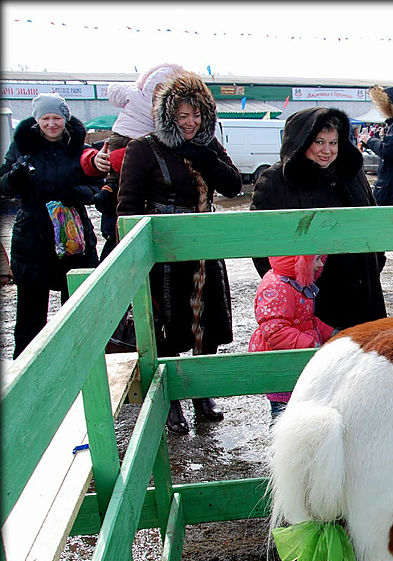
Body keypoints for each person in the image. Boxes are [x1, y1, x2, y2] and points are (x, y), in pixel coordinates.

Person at [117, 70, 243, 434]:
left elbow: (234, 186)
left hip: (204, 248)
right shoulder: (144, 148)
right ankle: (171, 402)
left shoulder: (209, 146)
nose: (190, 123)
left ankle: (202, 394)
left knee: (209, 326)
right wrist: (135, 253)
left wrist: (206, 158)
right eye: (182, 116)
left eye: (197, 115)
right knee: (169, 330)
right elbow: (127, 207)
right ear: (167, 114)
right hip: (166, 255)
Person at [250, 107, 387, 330]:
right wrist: (286, 286)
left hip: (364, 293)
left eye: (333, 143)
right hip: (314, 298)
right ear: (302, 142)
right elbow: (261, 242)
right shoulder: (276, 180)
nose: (327, 150)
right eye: (319, 142)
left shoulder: (352, 174)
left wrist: (375, 261)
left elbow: (373, 219)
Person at [0, 93, 102, 358]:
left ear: (65, 119)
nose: (51, 124)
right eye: (45, 118)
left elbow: (96, 186)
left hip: (73, 233)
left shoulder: (78, 148)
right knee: (30, 318)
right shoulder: (21, 147)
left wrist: (78, 193)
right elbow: (3, 185)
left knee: (77, 309)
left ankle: (78, 365)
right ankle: (27, 376)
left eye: (56, 117)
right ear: (37, 120)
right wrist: (16, 176)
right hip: (32, 235)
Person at [83, 63, 186, 261]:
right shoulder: (155, 135)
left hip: (160, 228)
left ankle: (110, 188)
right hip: (126, 225)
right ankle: (110, 188)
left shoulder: (172, 133)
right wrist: (94, 160)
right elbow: (86, 159)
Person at [249, 254, 335, 421]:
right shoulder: (276, 288)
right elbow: (276, 332)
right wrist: (313, 344)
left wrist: (331, 333)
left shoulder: (294, 283)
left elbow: (306, 321)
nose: (320, 264)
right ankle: (281, 446)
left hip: (296, 358)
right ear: (297, 262)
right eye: (314, 260)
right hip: (282, 367)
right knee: (283, 417)